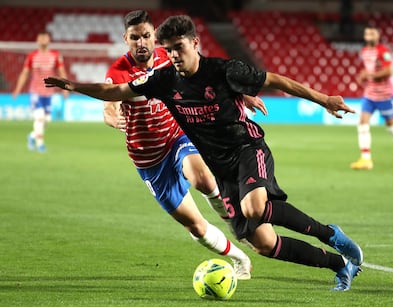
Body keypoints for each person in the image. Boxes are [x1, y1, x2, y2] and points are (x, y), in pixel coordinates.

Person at [45, 15, 363, 291]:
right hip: (221, 168)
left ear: (195, 43)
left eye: (179, 48)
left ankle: (330, 234)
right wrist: (72, 86)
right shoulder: (164, 79)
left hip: (247, 148)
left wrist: (324, 99)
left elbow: (275, 80)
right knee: (263, 244)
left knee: (254, 207)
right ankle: (338, 265)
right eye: (168, 50)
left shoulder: (225, 70)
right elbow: (115, 91)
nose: (174, 56)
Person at [103, 10, 256, 279]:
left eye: (147, 36)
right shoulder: (117, 72)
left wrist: (240, 93)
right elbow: (109, 106)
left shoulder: (167, 57)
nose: (142, 43)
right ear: (125, 39)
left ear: (154, 38)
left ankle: (236, 224)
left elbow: (206, 75)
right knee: (195, 226)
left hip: (177, 137)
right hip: (148, 160)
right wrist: (113, 117)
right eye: (135, 37)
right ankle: (238, 256)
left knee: (203, 179)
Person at [351, 26, 393, 171]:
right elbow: (370, 70)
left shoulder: (383, 51)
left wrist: (369, 76)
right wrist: (363, 76)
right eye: (367, 33)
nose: (369, 35)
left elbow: (388, 71)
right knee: (363, 123)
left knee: (392, 127)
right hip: (369, 95)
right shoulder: (365, 51)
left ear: (377, 36)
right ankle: (366, 159)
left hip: (384, 95)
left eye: (372, 33)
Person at [13, 31, 68, 152]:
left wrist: (66, 88)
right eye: (41, 38)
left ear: (49, 40)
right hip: (35, 92)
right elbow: (25, 73)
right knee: (39, 118)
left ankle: (32, 136)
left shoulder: (55, 55)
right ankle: (40, 144)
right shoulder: (32, 56)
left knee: (46, 120)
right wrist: (17, 89)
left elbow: (61, 71)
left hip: (48, 93)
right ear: (37, 40)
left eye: (45, 37)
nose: (43, 40)